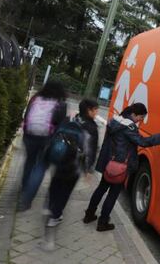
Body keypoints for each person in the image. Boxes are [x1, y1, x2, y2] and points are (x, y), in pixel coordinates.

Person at [83, 103, 160, 231]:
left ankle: (89, 215)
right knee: (112, 194)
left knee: (101, 188)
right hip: (120, 166)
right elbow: (142, 142)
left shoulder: (115, 120)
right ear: (134, 114)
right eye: (140, 117)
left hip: (108, 163)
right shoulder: (129, 127)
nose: (141, 120)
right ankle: (103, 222)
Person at [46, 99, 99, 227]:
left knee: (56, 183)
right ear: (89, 110)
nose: (96, 112)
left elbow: (57, 133)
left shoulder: (71, 118)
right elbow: (91, 150)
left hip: (61, 157)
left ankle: (51, 207)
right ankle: (55, 215)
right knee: (65, 190)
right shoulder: (92, 127)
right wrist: (88, 169)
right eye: (95, 109)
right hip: (75, 164)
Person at [18, 81, 67, 211]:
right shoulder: (60, 104)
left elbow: (27, 115)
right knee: (40, 167)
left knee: (29, 161)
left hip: (29, 135)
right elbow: (60, 125)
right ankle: (26, 201)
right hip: (46, 139)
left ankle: (24, 188)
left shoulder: (35, 98)